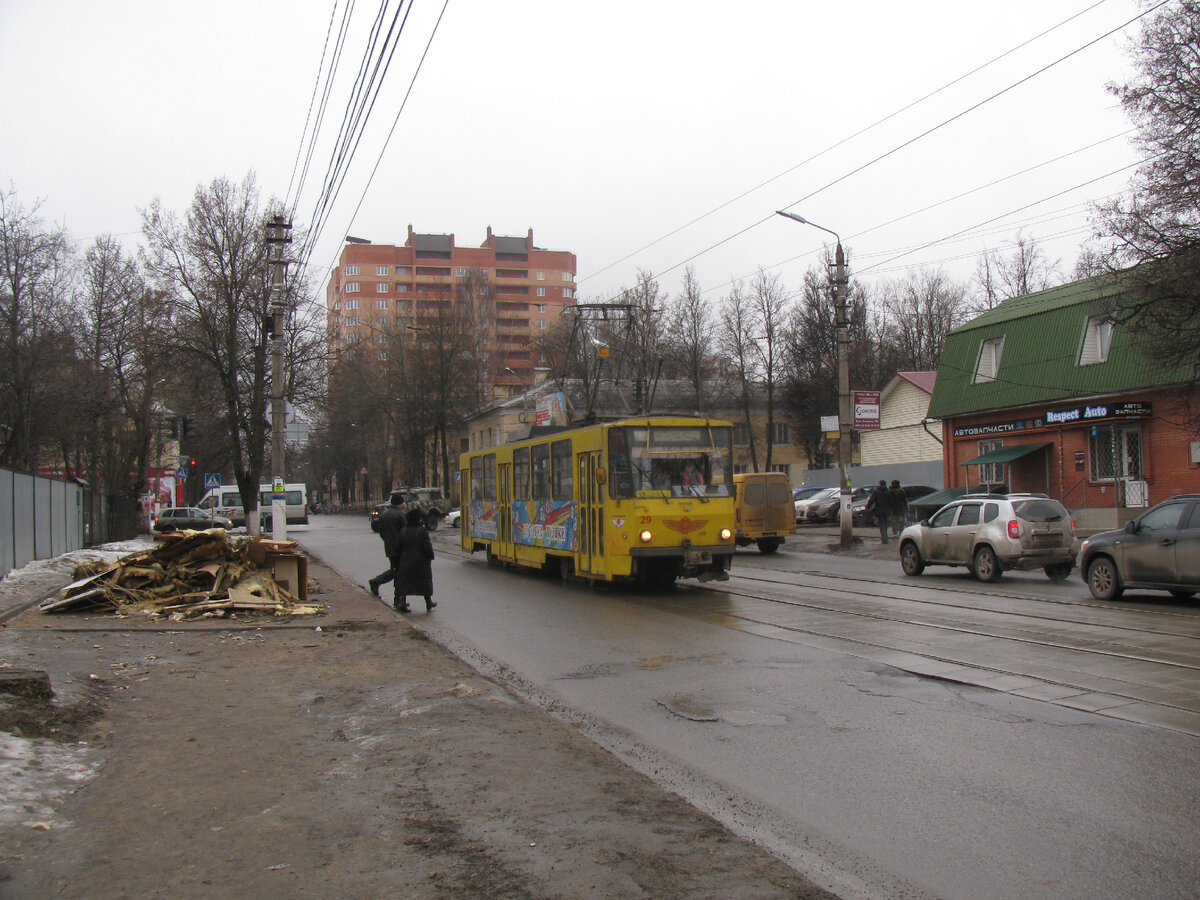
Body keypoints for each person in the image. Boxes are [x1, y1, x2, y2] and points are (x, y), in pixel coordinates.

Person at [368, 491, 407, 609]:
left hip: (389, 547)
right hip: (400, 548)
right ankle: (398, 599)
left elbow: (381, 531)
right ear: (400, 503)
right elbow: (405, 532)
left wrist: (388, 542)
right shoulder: (401, 515)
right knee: (401, 573)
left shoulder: (384, 514)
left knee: (396, 571)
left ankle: (399, 599)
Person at [394, 507, 436, 613]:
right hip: (421, 561)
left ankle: (402, 602)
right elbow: (427, 546)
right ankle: (428, 602)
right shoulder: (421, 531)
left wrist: (398, 560)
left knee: (404, 582)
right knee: (424, 582)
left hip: (405, 561)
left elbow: (397, 547)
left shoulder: (403, 531)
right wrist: (430, 556)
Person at [864, 479, 893, 544]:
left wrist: (867, 507)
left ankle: (884, 539)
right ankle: (885, 537)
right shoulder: (888, 492)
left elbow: (871, 500)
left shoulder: (876, 492)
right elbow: (891, 502)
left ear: (880, 484)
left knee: (882, 524)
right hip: (886, 511)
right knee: (885, 524)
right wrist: (891, 509)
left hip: (879, 510)